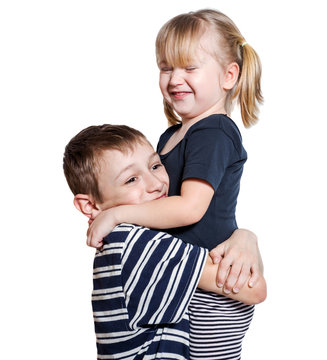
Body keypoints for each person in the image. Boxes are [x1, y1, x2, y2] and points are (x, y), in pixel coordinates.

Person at [87, 9, 265, 359]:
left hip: (212, 293)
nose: (174, 78)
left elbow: (189, 207)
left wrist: (118, 214)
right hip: (184, 280)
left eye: (189, 67)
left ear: (229, 75)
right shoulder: (173, 134)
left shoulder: (213, 131)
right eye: (166, 67)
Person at [63, 124, 266, 359]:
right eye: (131, 180)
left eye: (156, 166)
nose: (156, 183)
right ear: (89, 206)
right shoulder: (134, 242)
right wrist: (244, 239)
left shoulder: (126, 240)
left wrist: (246, 237)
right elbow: (254, 289)